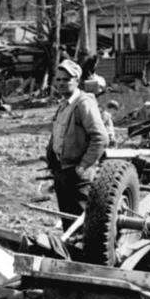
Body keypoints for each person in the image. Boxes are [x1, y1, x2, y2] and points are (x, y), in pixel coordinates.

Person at [46, 59, 108, 225]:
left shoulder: (83, 103)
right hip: (63, 172)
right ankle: (70, 251)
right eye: (58, 79)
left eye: (66, 80)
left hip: (78, 176)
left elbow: (101, 137)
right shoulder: (64, 104)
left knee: (81, 225)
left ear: (77, 81)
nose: (61, 83)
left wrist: (83, 166)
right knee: (68, 223)